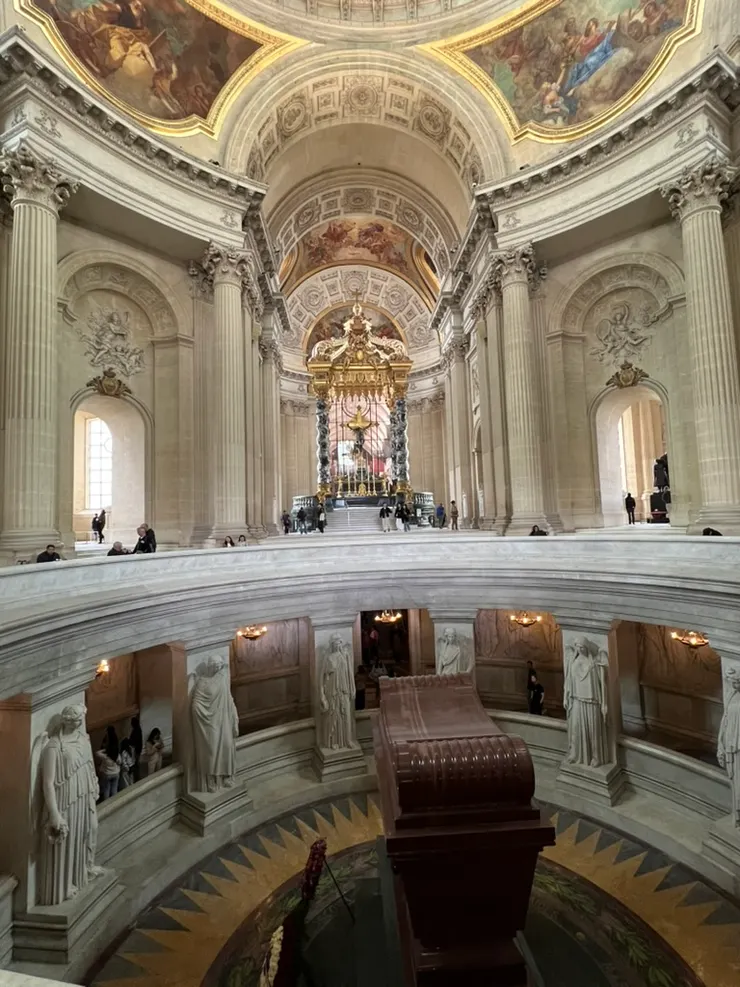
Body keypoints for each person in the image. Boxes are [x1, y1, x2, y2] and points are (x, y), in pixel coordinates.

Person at [96, 726, 121, 801]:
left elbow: (97, 753)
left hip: (107, 774)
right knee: (114, 789)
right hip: (116, 773)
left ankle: (107, 803)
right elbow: (120, 762)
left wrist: (105, 749)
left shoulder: (105, 757)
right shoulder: (117, 755)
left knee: (107, 789)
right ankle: (115, 801)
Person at [129, 715, 143, 782]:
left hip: (136, 750)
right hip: (138, 749)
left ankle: (136, 777)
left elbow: (133, 742)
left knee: (135, 764)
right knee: (137, 763)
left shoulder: (135, 731)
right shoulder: (138, 729)